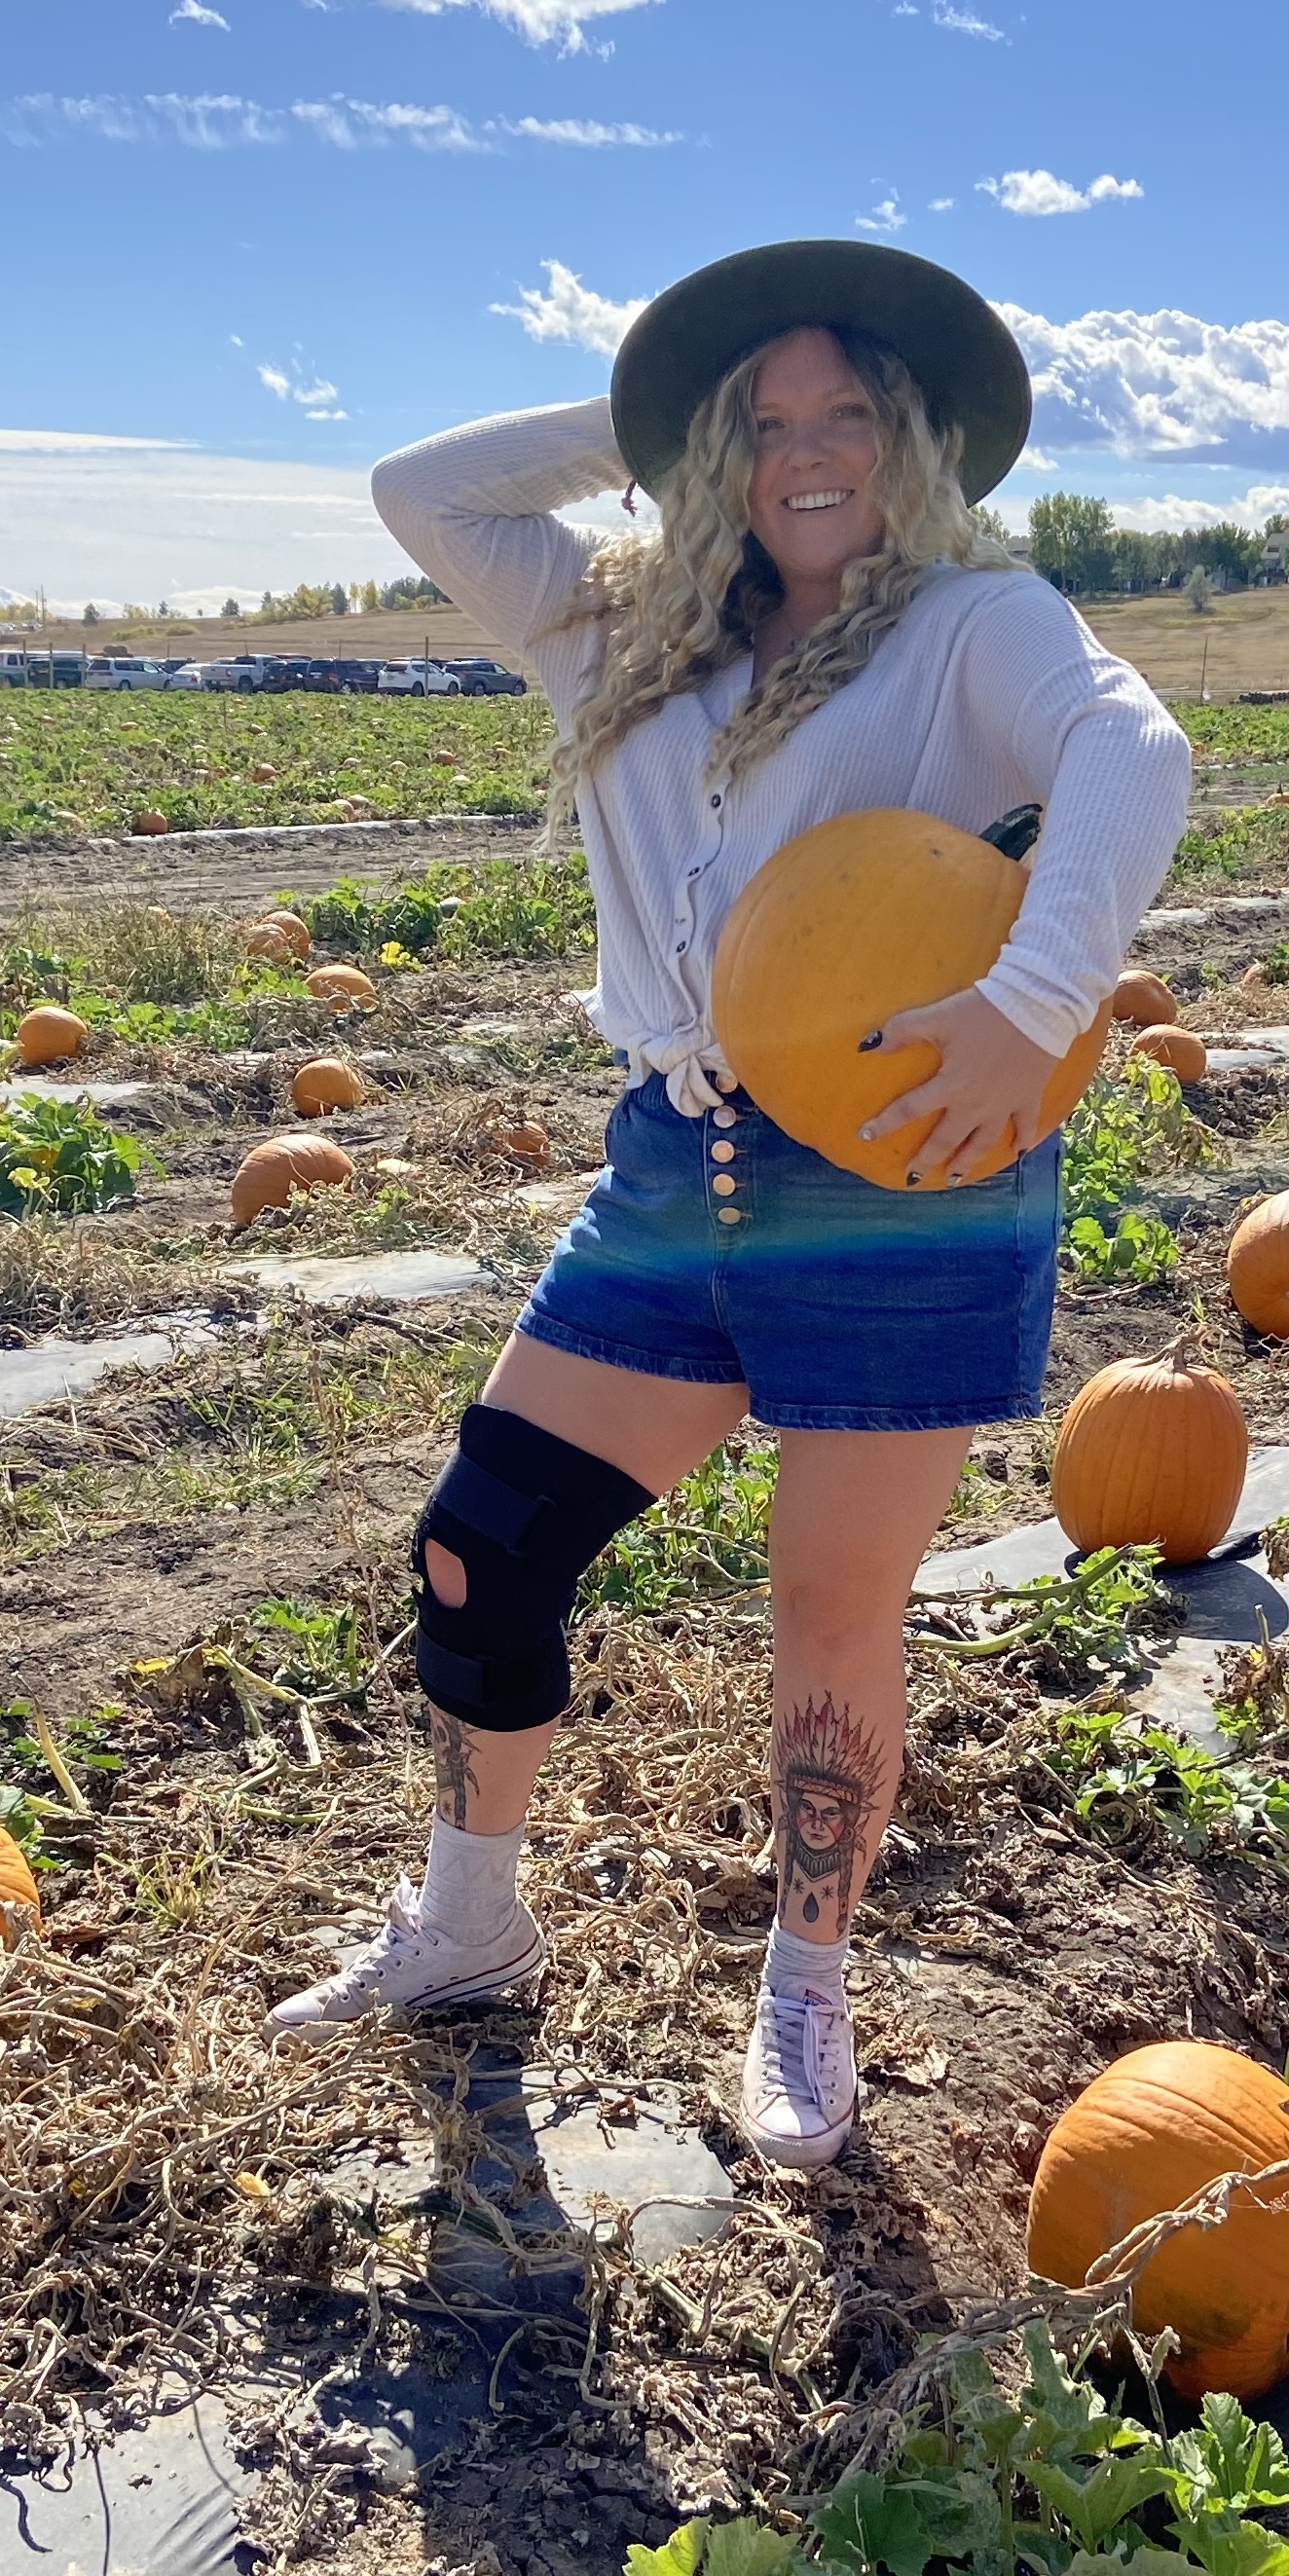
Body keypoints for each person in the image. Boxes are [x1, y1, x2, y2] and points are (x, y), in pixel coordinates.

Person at [269, 239, 1191, 2170]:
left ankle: (806, 1979)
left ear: (910, 438)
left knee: (826, 1605)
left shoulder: (973, 620)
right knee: (489, 1540)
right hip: (674, 1161)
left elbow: (1135, 747)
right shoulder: (616, 626)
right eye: (763, 422)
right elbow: (419, 493)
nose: (808, 450)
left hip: (902, 1170)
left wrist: (1040, 1006)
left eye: (845, 410)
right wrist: (659, 407)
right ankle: (467, 1922)